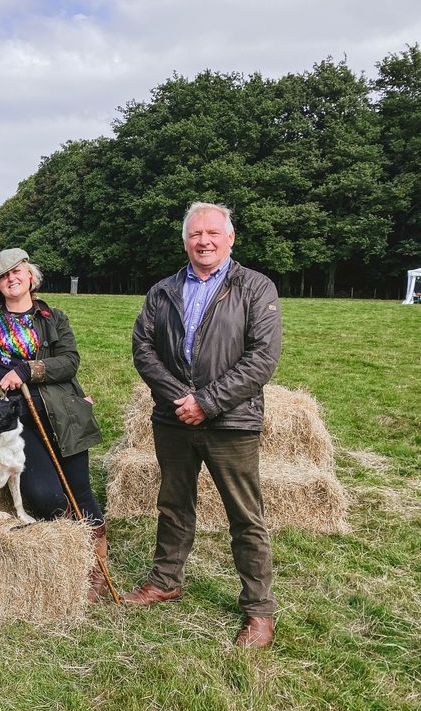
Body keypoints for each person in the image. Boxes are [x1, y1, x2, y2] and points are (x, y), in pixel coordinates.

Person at [126, 201, 282, 649]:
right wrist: (182, 400)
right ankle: (165, 580)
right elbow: (143, 349)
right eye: (195, 234)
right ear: (185, 240)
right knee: (174, 503)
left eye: (213, 232)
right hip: (174, 418)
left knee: (245, 516)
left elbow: (262, 357)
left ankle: (258, 611)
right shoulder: (163, 290)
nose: (204, 241)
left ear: (230, 238)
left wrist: (208, 402)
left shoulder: (254, 287)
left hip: (231, 421)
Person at [0, 249, 109, 600]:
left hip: (59, 414)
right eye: (3, 276)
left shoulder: (52, 317)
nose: (12, 278)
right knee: (46, 499)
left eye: (17, 271)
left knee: (81, 489)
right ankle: (66, 547)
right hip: (12, 425)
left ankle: (96, 568)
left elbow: (69, 361)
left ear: (30, 276)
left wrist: (27, 370)